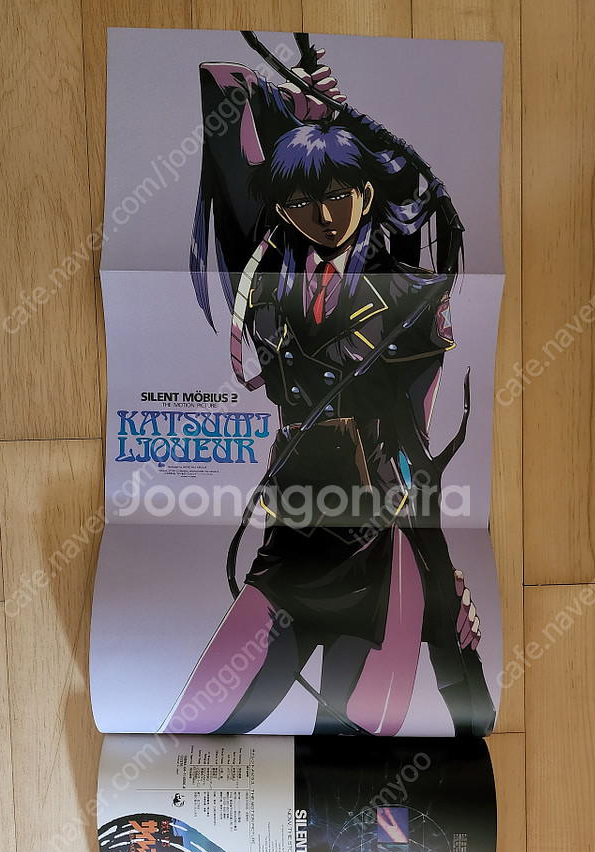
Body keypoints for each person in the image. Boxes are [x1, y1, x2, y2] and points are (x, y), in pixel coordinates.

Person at [178, 42, 495, 737]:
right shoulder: (270, 278)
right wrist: (296, 106)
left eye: (337, 196)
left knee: (353, 754)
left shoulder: (406, 286)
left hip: (381, 548)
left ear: (366, 193)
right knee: (191, 726)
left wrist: (349, 119)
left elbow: (432, 200)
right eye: (300, 202)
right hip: (292, 538)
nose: (321, 215)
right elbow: (222, 92)